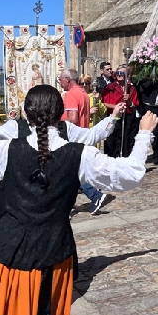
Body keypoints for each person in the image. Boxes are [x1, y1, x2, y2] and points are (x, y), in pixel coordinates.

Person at [0, 85, 157, 315]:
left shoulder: (9, 150)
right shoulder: (80, 154)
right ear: (60, 113)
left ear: (27, 114)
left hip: (5, 254)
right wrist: (143, 134)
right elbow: (129, 175)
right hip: (52, 255)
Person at [60, 69, 109, 214]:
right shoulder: (83, 94)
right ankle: (94, 196)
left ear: (68, 79)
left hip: (72, 138)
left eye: (61, 80)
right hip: (83, 136)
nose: (60, 83)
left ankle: (93, 196)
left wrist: (58, 124)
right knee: (72, 173)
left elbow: (73, 118)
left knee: (67, 173)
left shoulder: (71, 94)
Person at [101, 65, 140, 157]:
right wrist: (117, 107)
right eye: (118, 73)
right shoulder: (110, 87)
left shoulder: (131, 88)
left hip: (127, 118)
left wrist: (129, 102)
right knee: (112, 142)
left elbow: (134, 106)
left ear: (127, 75)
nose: (119, 75)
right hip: (114, 117)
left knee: (127, 141)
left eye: (122, 73)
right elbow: (104, 103)